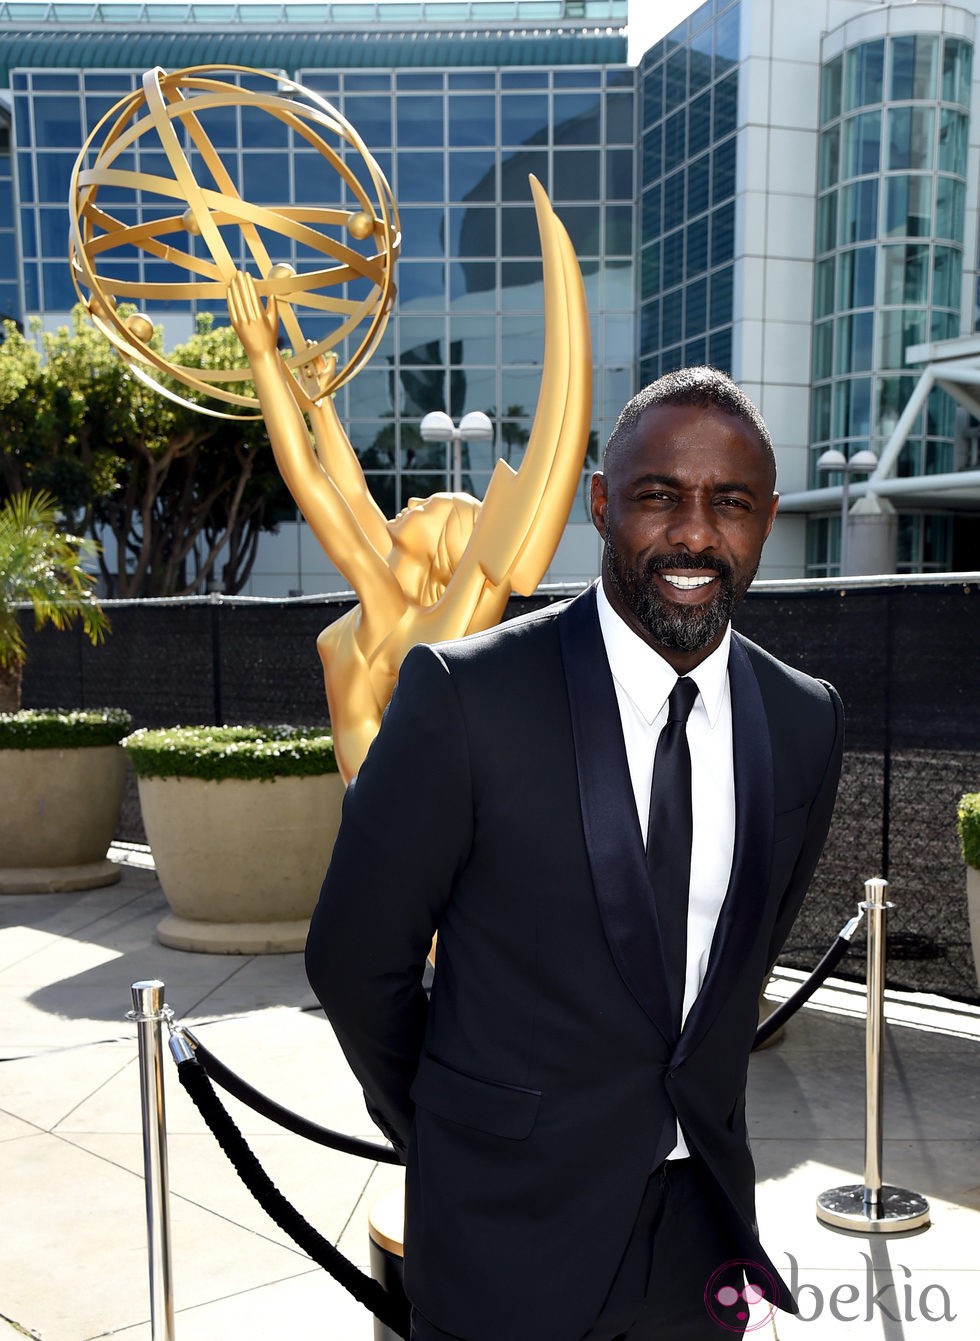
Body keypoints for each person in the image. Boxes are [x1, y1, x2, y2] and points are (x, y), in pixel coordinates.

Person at [306, 366, 844, 1340]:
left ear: (765, 517)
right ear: (600, 503)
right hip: (505, 1234)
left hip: (699, 1239)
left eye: (726, 503)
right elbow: (353, 958)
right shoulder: (466, 697)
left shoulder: (803, 721)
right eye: (656, 496)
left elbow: (741, 963)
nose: (692, 534)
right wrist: (455, 1135)